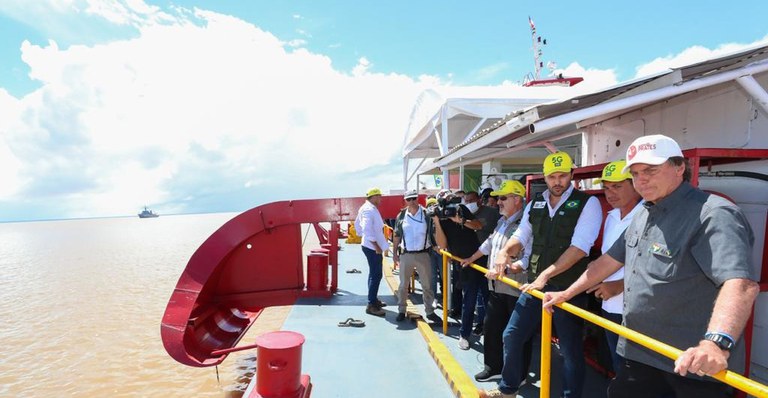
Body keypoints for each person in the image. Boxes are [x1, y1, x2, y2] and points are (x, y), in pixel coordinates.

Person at [543, 135, 760, 397]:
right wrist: (566, 294)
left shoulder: (713, 214)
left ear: (679, 167)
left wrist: (716, 344)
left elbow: (740, 284)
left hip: (689, 365)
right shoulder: (644, 214)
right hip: (639, 352)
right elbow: (607, 262)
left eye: (650, 170)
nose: (641, 179)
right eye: (635, 173)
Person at [480, 151, 603, 398]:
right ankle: (508, 390)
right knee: (512, 335)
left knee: (570, 351)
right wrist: (505, 252)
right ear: (545, 178)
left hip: (568, 289)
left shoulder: (587, 203)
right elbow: (521, 236)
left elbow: (580, 248)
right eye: (552, 177)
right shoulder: (535, 203)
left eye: (562, 176)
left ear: (572, 174)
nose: (557, 181)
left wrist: (545, 276)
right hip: (536, 288)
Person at [460, 180, 534, 382]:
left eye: (503, 198)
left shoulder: (526, 225)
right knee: (491, 328)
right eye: (498, 198)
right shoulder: (502, 222)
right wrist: (471, 258)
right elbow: (488, 244)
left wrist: (507, 268)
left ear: (517, 200)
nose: (498, 202)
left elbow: (527, 258)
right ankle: (493, 368)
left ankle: (519, 375)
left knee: (517, 336)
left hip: (515, 288)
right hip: (496, 286)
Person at [589, 160, 643, 372]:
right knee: (617, 365)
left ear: (635, 185)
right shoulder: (611, 217)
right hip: (610, 306)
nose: (610, 193)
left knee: (635, 373)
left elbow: (655, 268)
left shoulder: (647, 216)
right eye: (606, 187)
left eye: (617, 186)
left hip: (635, 311)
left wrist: (619, 285)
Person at [433, 192, 485, 350]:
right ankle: (464, 334)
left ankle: (484, 328)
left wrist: (460, 220)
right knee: (468, 301)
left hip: (480, 260)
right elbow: (442, 245)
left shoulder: (461, 209)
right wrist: (437, 221)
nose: (449, 208)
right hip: (463, 264)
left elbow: (478, 225)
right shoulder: (440, 218)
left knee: (486, 298)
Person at [391, 189, 444, 323]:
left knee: (427, 285)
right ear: (405, 201)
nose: (412, 201)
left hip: (423, 254)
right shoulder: (401, 216)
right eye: (409, 199)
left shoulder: (426, 214)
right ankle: (402, 310)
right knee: (403, 285)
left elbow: (434, 231)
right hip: (406, 255)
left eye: (414, 198)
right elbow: (396, 235)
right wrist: (395, 253)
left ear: (418, 198)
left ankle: (430, 312)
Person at [466, 190, 500, 335]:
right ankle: (480, 323)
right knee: (473, 294)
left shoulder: (492, 213)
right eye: (466, 201)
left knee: (485, 294)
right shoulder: (465, 212)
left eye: (471, 200)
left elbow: (479, 226)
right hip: (471, 258)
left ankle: (484, 323)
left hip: (487, 259)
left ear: (479, 200)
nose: (469, 203)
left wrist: (462, 221)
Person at [354, 187, 390, 317]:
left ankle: (373, 300)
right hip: (372, 247)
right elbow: (366, 229)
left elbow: (357, 225)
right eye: (379, 196)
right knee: (376, 275)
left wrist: (362, 236)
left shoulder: (366, 207)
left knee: (373, 274)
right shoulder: (369, 209)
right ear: (373, 197)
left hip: (369, 245)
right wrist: (376, 245)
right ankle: (371, 305)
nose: (380, 199)